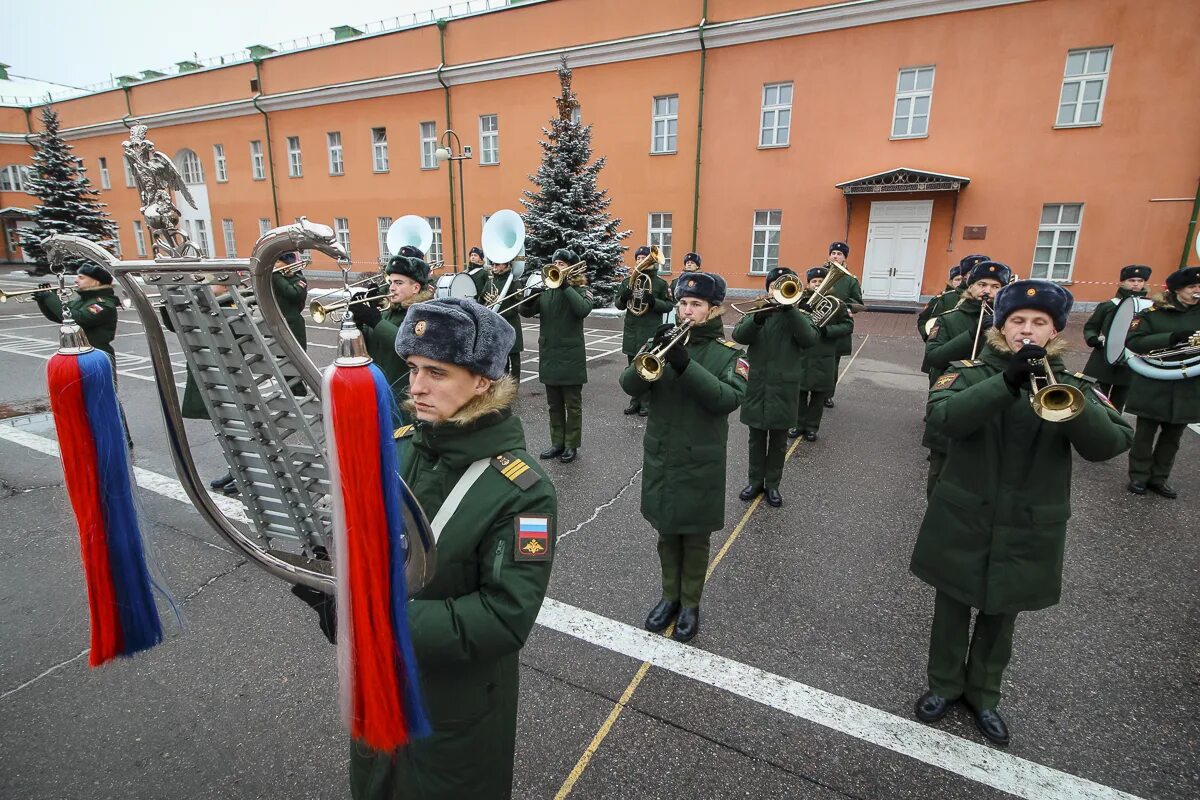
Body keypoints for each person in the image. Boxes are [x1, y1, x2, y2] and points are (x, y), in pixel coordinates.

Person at [350, 297, 557, 800]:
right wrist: (328, 580)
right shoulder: (399, 443)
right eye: (414, 368)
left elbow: (505, 615)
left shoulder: (522, 490)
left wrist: (380, 618)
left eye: (437, 373)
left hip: (454, 712)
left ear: (484, 381)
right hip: (380, 692)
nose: (416, 387)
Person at [910, 279, 1132, 747]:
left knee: (1002, 613)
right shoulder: (967, 374)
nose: (1027, 331)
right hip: (965, 513)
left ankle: (984, 696)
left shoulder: (1074, 385)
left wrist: (1068, 403)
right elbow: (944, 421)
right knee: (951, 605)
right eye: (1017, 322)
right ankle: (944, 686)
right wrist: (1004, 382)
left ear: (1054, 332)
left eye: (1038, 323)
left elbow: (1110, 445)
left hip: (1030, 520)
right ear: (1001, 328)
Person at [620, 271, 747, 643]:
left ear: (714, 309)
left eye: (695, 305)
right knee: (666, 533)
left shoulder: (728, 355)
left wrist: (684, 364)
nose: (686, 311)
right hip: (662, 453)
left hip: (700, 459)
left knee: (694, 537)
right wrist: (649, 354)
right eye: (682, 303)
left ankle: (690, 603)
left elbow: (727, 399)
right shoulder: (660, 341)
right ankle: (668, 597)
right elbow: (629, 385)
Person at [920, 260, 1011, 498]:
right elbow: (935, 357)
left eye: (995, 286)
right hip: (954, 400)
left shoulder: (1013, 326)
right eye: (981, 284)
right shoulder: (949, 319)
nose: (987, 291)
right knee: (940, 486)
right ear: (970, 286)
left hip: (995, 414)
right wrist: (973, 334)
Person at [732, 267, 818, 506]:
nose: (778, 289)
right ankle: (754, 481)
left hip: (784, 386)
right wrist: (757, 319)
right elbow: (739, 335)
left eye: (784, 284)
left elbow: (809, 339)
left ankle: (773, 485)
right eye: (774, 285)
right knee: (756, 437)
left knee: (779, 441)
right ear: (768, 288)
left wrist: (791, 310)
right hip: (758, 384)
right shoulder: (758, 310)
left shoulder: (800, 313)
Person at [1123, 265, 1200, 498]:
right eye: (1192, 287)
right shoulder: (1153, 313)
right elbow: (1134, 341)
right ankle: (1138, 476)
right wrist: (1170, 338)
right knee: (1145, 434)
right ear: (1177, 290)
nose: (1198, 291)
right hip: (1154, 382)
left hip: (1189, 384)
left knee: (1173, 437)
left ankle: (1159, 478)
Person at [34, 262, 129, 447]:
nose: (76, 280)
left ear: (95, 282)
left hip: (99, 356)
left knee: (105, 397)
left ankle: (121, 437)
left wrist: (50, 298)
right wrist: (44, 301)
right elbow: (58, 316)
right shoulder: (82, 300)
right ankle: (93, 437)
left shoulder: (103, 304)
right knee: (83, 398)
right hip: (80, 355)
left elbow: (76, 318)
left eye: (82, 277)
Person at [519, 248, 591, 463]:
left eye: (561, 264)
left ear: (571, 267)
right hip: (549, 354)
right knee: (554, 404)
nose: (557, 267)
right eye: (555, 263)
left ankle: (571, 444)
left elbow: (582, 310)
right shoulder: (546, 290)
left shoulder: (581, 290)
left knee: (573, 404)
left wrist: (566, 286)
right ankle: (557, 442)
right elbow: (525, 311)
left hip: (571, 355)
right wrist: (531, 295)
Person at [350, 254, 433, 420]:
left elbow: (409, 345)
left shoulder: (424, 312)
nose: (392, 288)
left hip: (403, 400)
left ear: (415, 288)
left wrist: (375, 321)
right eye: (391, 282)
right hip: (376, 393)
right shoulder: (388, 312)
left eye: (399, 283)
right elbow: (365, 350)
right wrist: (357, 323)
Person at [788, 266, 853, 442]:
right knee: (799, 393)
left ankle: (811, 427)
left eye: (820, 281)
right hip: (802, 353)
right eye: (814, 282)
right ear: (808, 284)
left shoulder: (837, 303)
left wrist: (827, 330)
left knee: (818, 395)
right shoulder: (799, 300)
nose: (817, 285)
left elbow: (848, 325)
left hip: (823, 354)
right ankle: (797, 424)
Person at [1082, 264, 1151, 413]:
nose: (1136, 284)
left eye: (1140, 281)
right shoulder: (1108, 306)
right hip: (1103, 359)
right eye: (1131, 280)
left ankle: (1115, 432)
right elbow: (1091, 326)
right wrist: (1093, 338)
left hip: (1130, 361)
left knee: (1118, 405)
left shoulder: (1149, 308)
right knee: (1096, 400)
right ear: (1122, 282)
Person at [615, 245, 673, 416]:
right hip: (632, 330)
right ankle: (635, 402)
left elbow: (669, 305)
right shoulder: (627, 281)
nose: (641, 261)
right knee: (633, 368)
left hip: (649, 331)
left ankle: (647, 403)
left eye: (644, 258)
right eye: (639, 259)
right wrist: (624, 297)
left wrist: (653, 301)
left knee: (647, 367)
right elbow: (618, 305)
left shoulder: (660, 283)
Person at [822, 241, 863, 409]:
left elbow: (857, 302)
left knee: (832, 364)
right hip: (818, 323)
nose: (835, 256)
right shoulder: (820, 273)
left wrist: (846, 307)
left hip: (836, 324)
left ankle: (827, 395)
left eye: (839, 254)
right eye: (833, 253)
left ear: (845, 257)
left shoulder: (850, 280)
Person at [917, 255, 988, 342]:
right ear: (965, 276)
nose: (979, 277)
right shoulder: (948, 298)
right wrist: (930, 338)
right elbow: (931, 322)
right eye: (973, 273)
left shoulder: (994, 300)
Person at [489, 258, 525, 377]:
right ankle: (503, 388)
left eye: (497, 264)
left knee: (515, 361)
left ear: (506, 265)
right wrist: (486, 299)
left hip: (511, 323)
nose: (494, 266)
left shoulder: (514, 281)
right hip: (497, 323)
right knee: (502, 360)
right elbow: (481, 299)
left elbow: (519, 302)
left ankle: (514, 389)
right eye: (493, 264)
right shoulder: (491, 281)